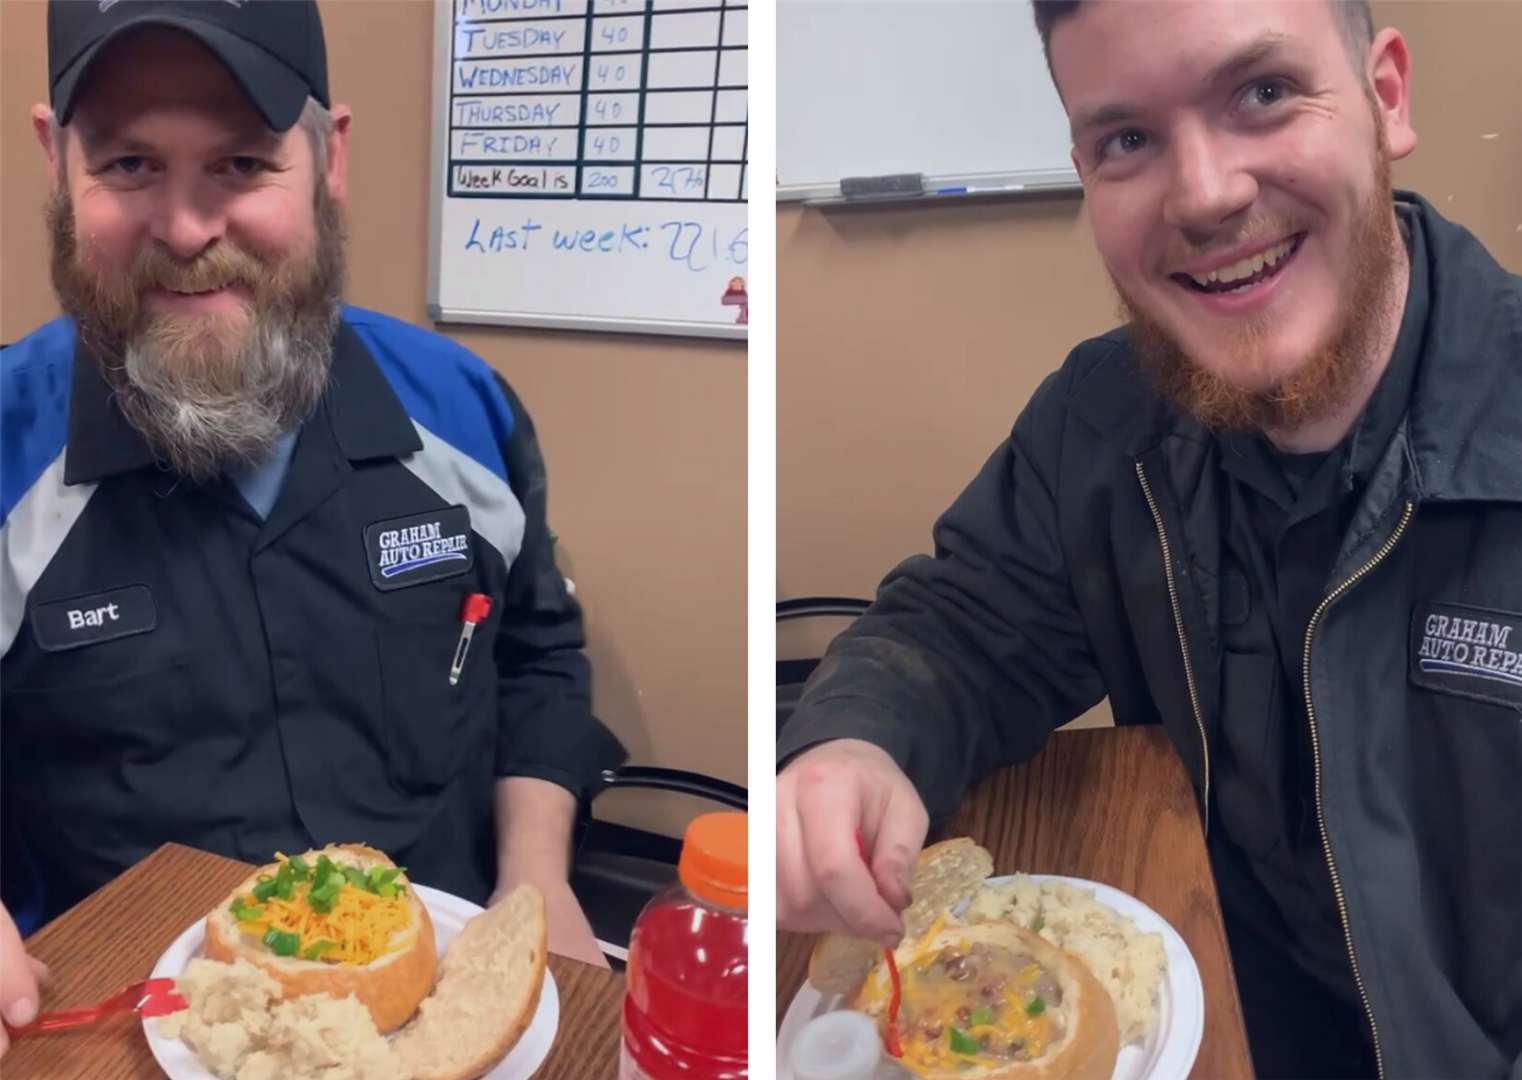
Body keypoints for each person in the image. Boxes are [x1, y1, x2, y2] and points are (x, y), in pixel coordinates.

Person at [776, 1, 1522, 1078]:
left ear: (1385, 98)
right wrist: (854, 743)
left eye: (1262, 94)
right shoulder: (1100, 418)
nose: (1206, 194)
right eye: (1126, 139)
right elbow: (964, 628)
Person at [0, 0, 625, 1058]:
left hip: (434, 1020)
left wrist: (535, 880)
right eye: (131, 167)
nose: (189, 230)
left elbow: (535, 658)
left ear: (328, 158)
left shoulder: (464, 408)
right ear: (56, 166)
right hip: (103, 1023)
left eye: (242, 164)